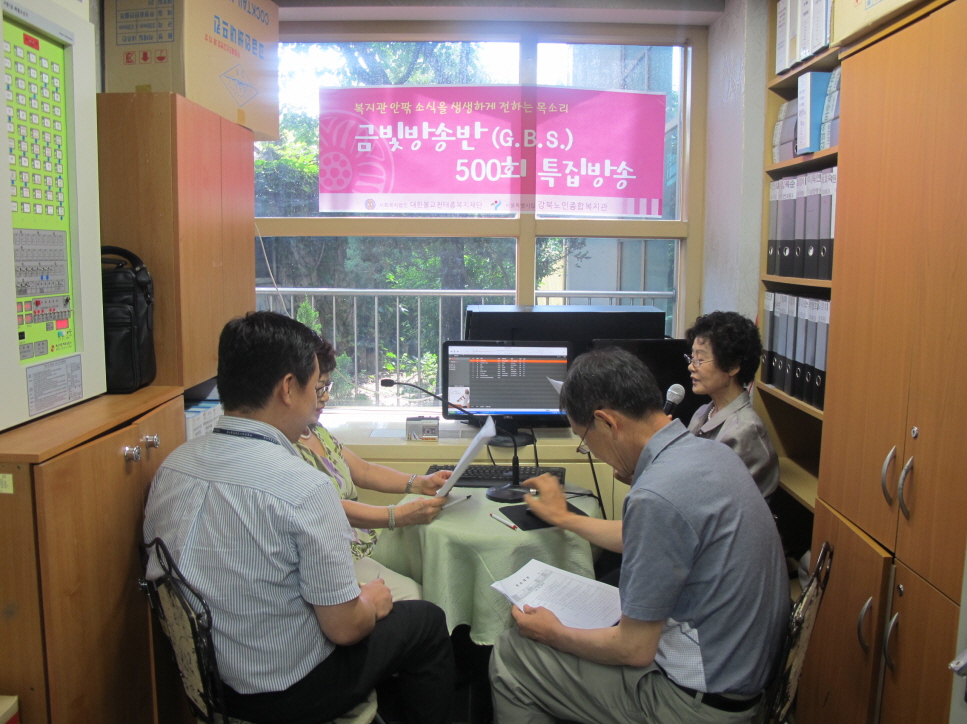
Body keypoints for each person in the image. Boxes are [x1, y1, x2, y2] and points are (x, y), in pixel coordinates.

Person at [143, 312, 454, 724]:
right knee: (427, 622)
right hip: (286, 693)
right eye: (315, 386)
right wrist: (371, 603)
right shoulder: (304, 488)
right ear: (288, 388)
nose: (318, 401)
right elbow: (346, 628)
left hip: (207, 682)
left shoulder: (172, 467)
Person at [490, 348, 788, 724]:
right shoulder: (712, 455)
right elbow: (650, 537)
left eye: (585, 439)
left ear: (606, 423)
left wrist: (554, 633)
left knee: (513, 652)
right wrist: (564, 518)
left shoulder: (657, 495)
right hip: (745, 678)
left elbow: (633, 649)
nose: (591, 451)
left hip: (698, 706)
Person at [296, 337, 451, 601]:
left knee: (434, 561)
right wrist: (398, 515)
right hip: (336, 553)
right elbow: (329, 508)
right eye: (319, 389)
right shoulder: (284, 449)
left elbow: (364, 471)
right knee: (421, 596)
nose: (326, 397)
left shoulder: (316, 431)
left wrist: (420, 482)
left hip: (359, 538)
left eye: (327, 387)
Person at [685, 311, 780, 499]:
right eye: (691, 358)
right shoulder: (703, 413)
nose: (691, 366)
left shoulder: (745, 431)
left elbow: (711, 497)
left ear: (733, 366)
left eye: (700, 360)